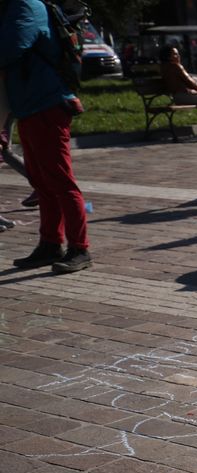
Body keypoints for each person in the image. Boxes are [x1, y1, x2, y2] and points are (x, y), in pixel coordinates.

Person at [0, 0, 92, 273]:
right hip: (30, 105)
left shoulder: (26, 6)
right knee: (43, 183)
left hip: (47, 104)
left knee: (61, 181)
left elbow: (10, 49)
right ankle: (51, 244)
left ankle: (80, 248)